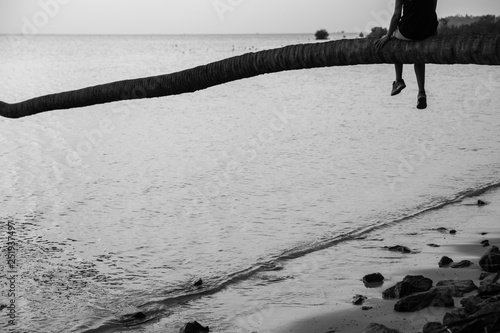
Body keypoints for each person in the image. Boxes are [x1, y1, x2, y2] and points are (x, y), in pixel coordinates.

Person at [375, 0, 438, 109]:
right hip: (429, 29)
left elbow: (396, 15)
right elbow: (433, 7)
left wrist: (388, 35)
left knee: (394, 38)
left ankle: (398, 80)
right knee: (419, 52)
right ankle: (421, 92)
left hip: (409, 30)